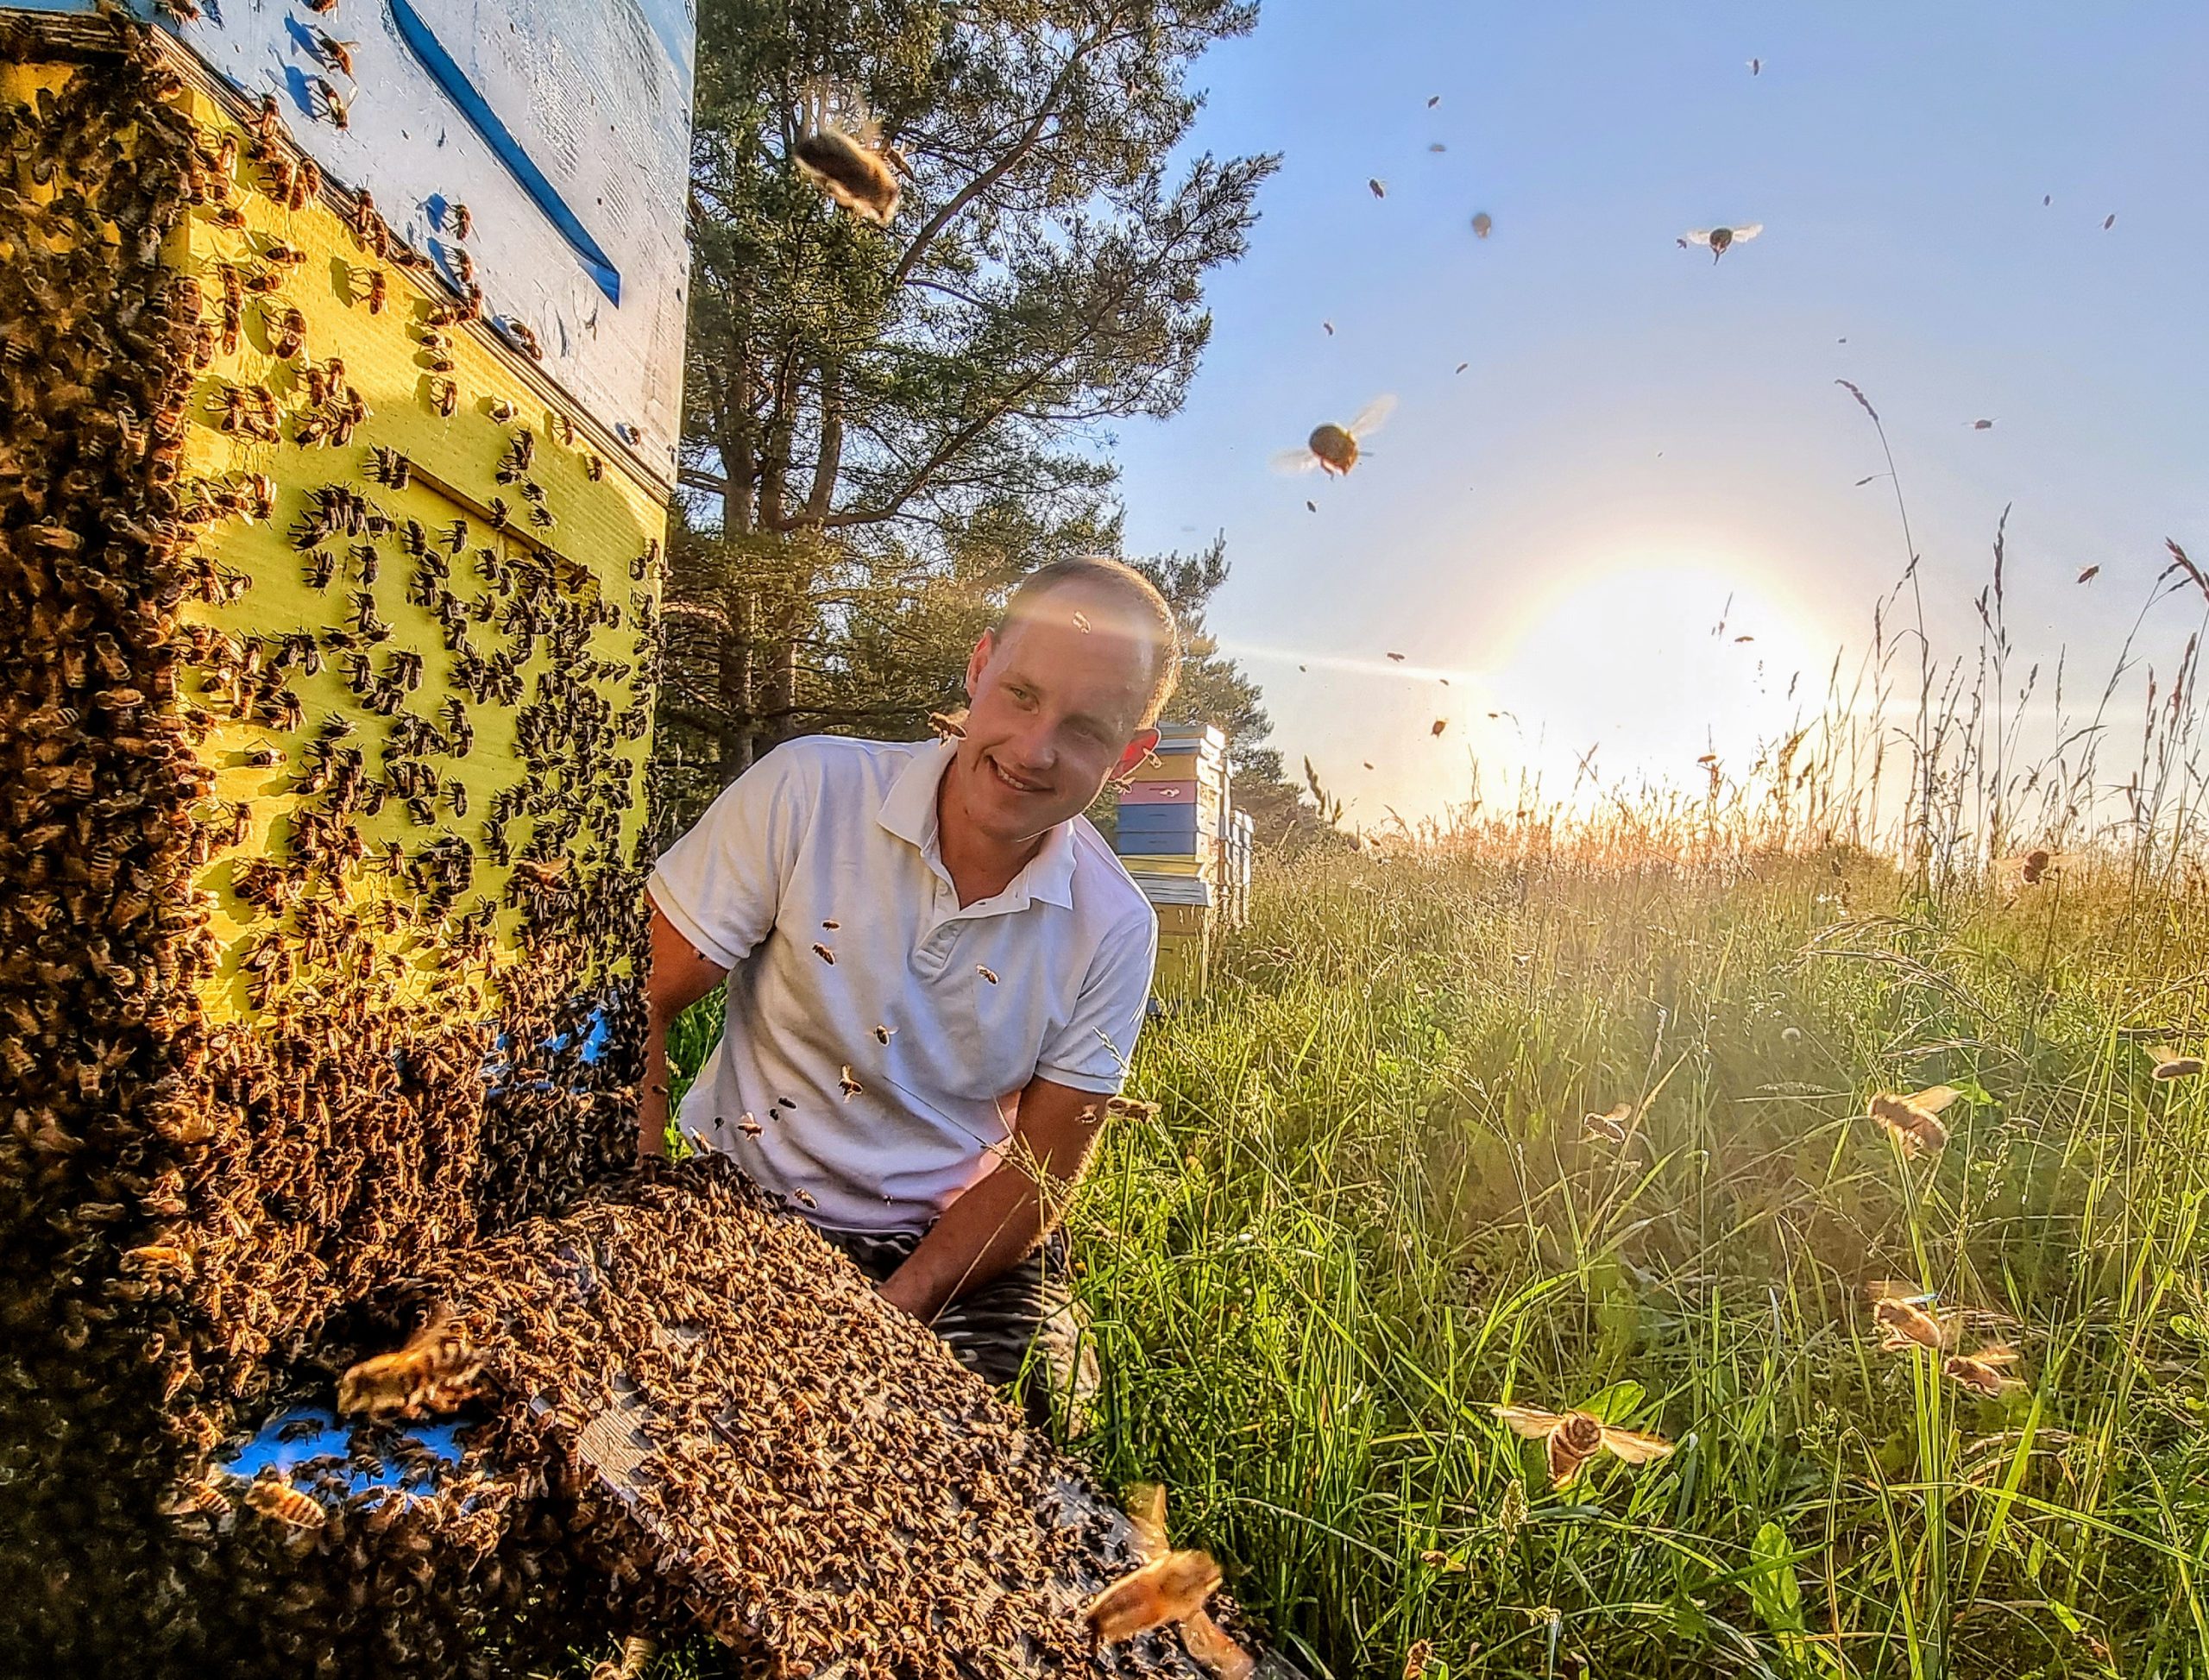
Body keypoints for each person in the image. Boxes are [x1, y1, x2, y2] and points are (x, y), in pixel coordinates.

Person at [639, 557, 1178, 1426]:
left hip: (946, 1242)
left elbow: (1040, 1175)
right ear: (977, 669)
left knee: (1020, 1411)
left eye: (1084, 730)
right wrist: (634, 1204)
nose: (1033, 751)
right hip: (737, 1200)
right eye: (1021, 696)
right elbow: (645, 995)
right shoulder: (809, 788)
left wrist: (888, 1320)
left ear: (1128, 759)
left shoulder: (1115, 926)